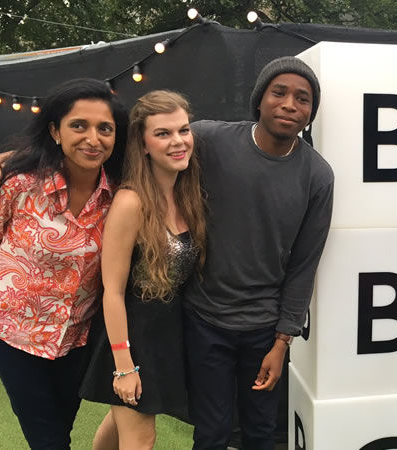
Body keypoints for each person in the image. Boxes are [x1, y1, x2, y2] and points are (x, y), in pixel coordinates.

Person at [0, 78, 127, 449]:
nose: (92, 138)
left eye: (105, 128)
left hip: (75, 335)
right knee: (47, 438)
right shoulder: (19, 183)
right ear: (55, 131)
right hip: (9, 326)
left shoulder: (122, 196)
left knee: (59, 428)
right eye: (78, 125)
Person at [184, 56, 334, 449]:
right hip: (205, 318)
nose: (289, 104)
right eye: (279, 92)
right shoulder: (209, 140)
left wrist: (283, 339)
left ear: (310, 113)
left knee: (261, 433)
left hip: (265, 331)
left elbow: (305, 263)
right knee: (211, 433)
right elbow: (149, 141)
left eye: (302, 99)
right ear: (259, 99)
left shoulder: (317, 175)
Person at [79, 90, 207, 449]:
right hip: (130, 337)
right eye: (163, 134)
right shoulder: (130, 201)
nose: (178, 141)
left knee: (121, 423)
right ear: (144, 143)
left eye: (183, 130)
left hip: (167, 334)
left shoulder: (188, 193)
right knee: (141, 437)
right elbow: (113, 291)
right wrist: (124, 365)